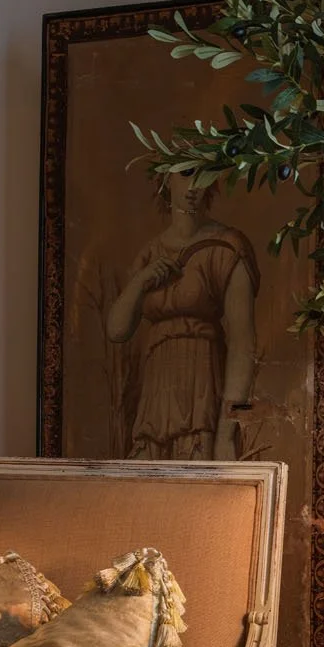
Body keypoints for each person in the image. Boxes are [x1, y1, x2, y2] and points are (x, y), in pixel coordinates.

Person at [105, 172, 259, 459]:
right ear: (166, 180)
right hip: (155, 400)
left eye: (203, 176)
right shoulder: (150, 253)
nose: (194, 187)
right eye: (186, 175)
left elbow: (244, 346)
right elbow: (116, 330)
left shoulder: (227, 247)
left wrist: (227, 434)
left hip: (202, 397)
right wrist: (140, 281)